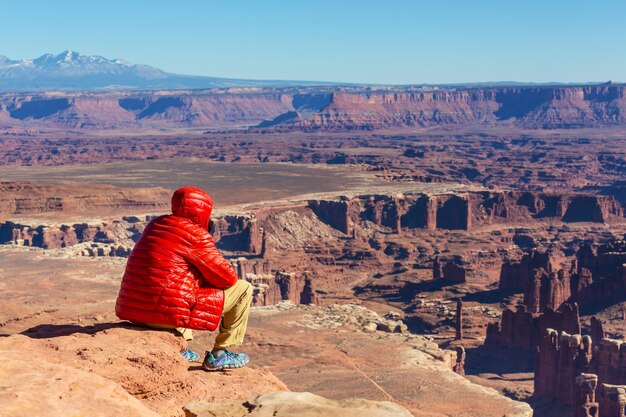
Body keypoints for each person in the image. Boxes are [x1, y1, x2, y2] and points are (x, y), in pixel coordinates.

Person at [115, 186, 253, 370]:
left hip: (134, 311)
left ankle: (181, 349)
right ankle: (220, 353)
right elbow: (227, 278)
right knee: (243, 288)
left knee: (178, 287)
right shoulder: (195, 235)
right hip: (162, 316)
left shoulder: (155, 225)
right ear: (203, 212)